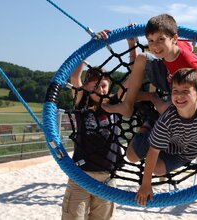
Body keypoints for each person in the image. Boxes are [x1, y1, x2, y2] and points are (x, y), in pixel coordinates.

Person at [101, 13, 197, 128]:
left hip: (187, 95)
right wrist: (132, 38)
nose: (155, 46)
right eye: (151, 40)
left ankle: (153, 99)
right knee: (139, 63)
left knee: (164, 108)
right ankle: (127, 105)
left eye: (161, 39)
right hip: (168, 80)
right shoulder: (169, 49)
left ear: (174, 39)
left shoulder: (189, 63)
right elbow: (135, 69)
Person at [61, 32, 136, 220]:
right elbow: (75, 75)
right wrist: (92, 44)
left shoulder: (115, 105)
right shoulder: (81, 104)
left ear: (109, 86)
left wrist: (131, 43)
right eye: (95, 86)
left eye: (103, 85)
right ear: (87, 88)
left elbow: (134, 76)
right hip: (80, 175)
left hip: (107, 177)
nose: (100, 89)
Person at [129, 68, 197, 206]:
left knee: (158, 170)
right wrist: (145, 185)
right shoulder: (168, 118)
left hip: (184, 152)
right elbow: (153, 151)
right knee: (131, 156)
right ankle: (147, 124)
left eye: (185, 91)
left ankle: (151, 122)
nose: (179, 96)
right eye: (175, 91)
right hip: (162, 140)